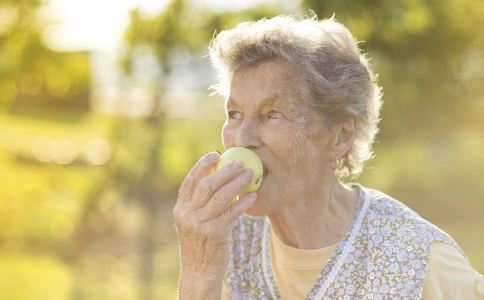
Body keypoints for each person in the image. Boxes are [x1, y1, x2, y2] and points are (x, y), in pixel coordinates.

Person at [173, 15, 484, 299]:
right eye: (235, 113)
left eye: (272, 114)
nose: (242, 139)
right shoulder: (226, 240)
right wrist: (199, 272)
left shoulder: (419, 259)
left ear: (340, 135)